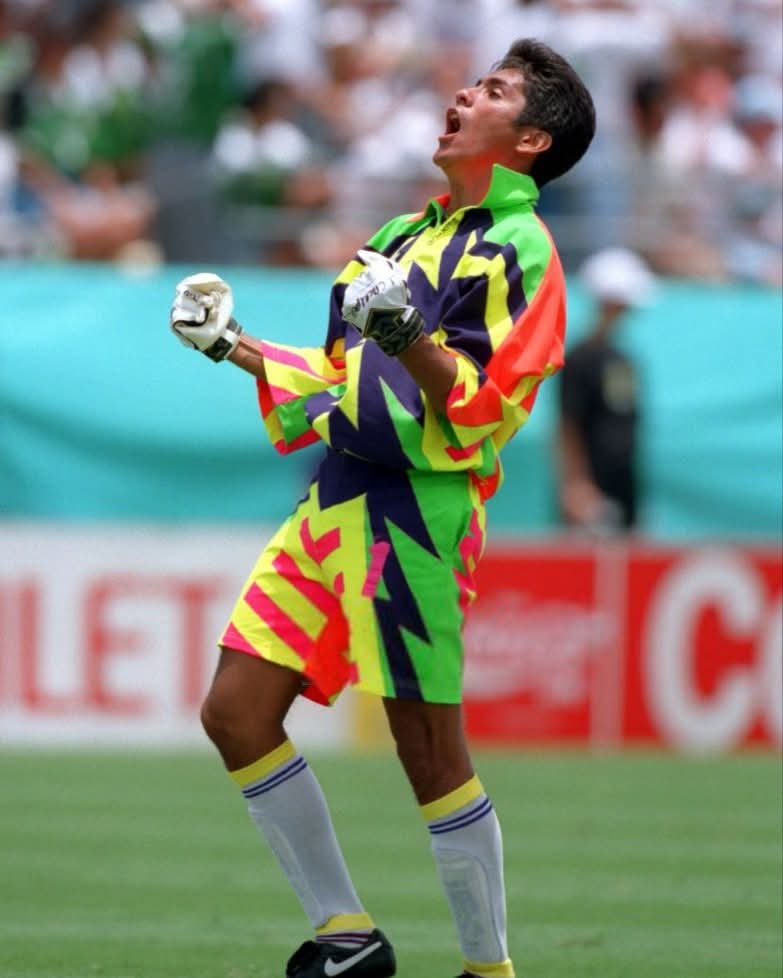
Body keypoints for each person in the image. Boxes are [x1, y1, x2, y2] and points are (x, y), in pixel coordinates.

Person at [168, 38, 595, 978]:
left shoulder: (524, 249)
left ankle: (489, 971)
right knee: (235, 711)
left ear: (527, 141)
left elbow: (488, 407)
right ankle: (347, 938)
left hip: (419, 512)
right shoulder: (400, 236)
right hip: (332, 501)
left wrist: (405, 336)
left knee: (427, 749)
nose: (460, 94)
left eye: (490, 91)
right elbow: (332, 375)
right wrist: (229, 344)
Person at [557, 247, 656, 533]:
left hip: (624, 488)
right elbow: (568, 424)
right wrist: (575, 484)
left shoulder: (624, 358)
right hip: (592, 493)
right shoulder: (579, 358)